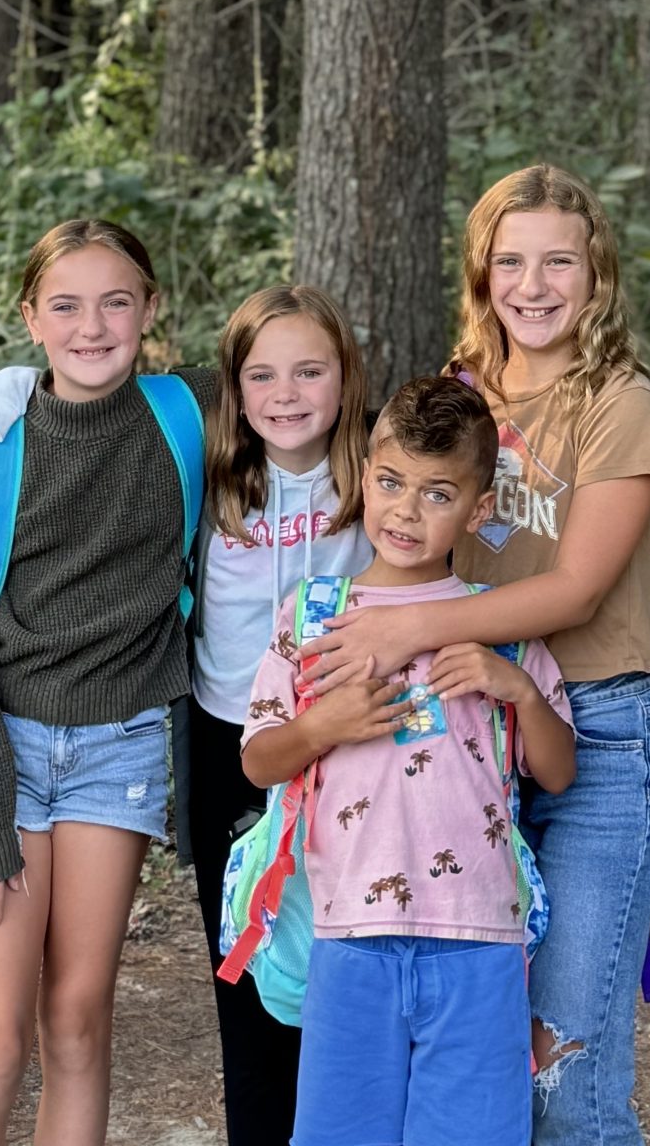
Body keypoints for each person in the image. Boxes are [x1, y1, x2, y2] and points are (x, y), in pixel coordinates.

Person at [315, 166, 650, 1146]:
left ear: (595, 272)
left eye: (559, 258)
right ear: (482, 275)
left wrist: (413, 631)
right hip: (471, 741)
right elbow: (408, 533)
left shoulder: (618, 401)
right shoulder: (464, 395)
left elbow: (575, 591)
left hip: (598, 739)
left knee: (568, 1077)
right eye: (510, 260)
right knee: (491, 1071)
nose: (534, 282)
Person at [0, 215, 216, 1146]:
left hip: (118, 752)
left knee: (78, 1019)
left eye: (117, 302)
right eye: (67, 306)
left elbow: (309, 388)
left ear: (151, 310)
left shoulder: (190, 415)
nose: (94, 326)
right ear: (32, 318)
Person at [241, 375, 575, 1146]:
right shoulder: (314, 616)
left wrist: (519, 689)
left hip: (480, 938)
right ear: (364, 475)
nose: (404, 510)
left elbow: (558, 774)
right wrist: (325, 724)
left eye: (436, 494)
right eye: (391, 482)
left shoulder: (501, 628)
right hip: (348, 933)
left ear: (478, 509)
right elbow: (261, 761)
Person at [187, 283, 373, 1146]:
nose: (287, 394)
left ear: (345, 379)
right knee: (249, 967)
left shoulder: (374, 480)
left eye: (310, 371)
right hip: (227, 743)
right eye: (262, 375)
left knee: (341, 957)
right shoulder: (210, 478)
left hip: (350, 746)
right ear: (234, 388)